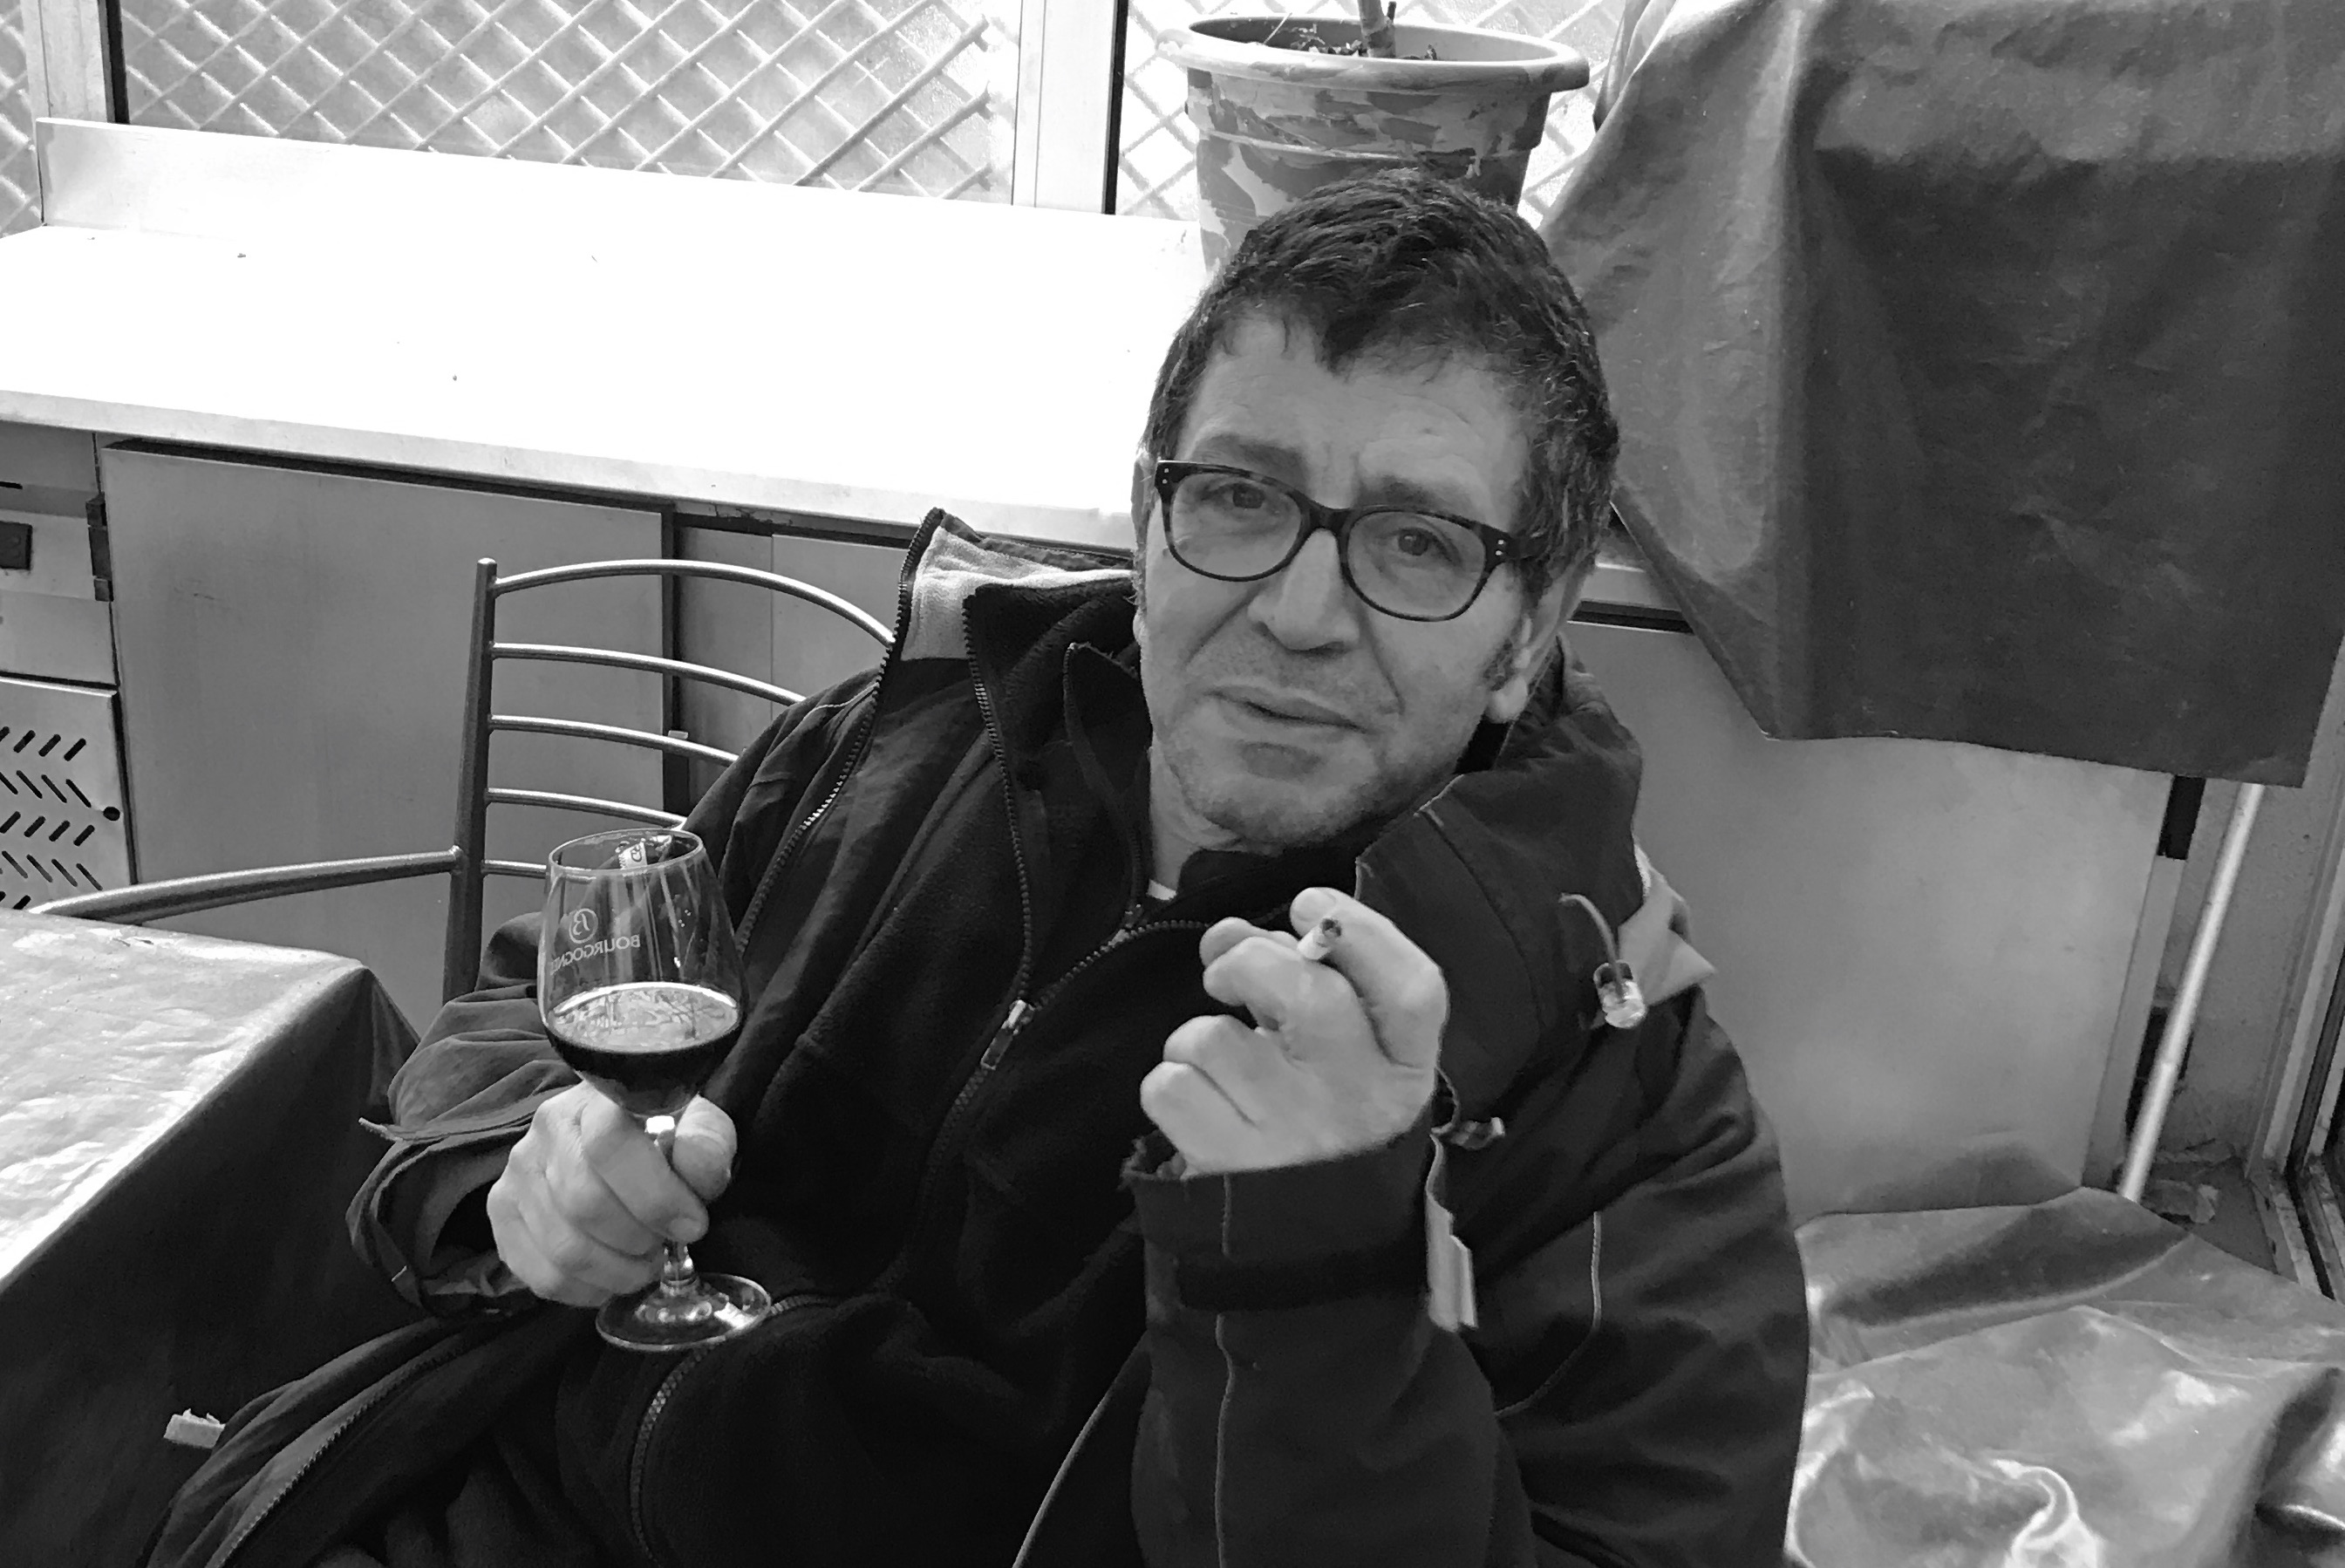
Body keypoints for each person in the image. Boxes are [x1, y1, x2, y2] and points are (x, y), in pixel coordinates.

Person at [149, 169, 1808, 1568]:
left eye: (1417, 542)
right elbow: (519, 1013)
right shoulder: (890, 745)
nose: (1300, 613)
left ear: (1529, 630)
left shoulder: (1620, 1124)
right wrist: (519, 1163)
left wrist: (1317, 1273)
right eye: (1239, 499)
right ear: (1146, 519)